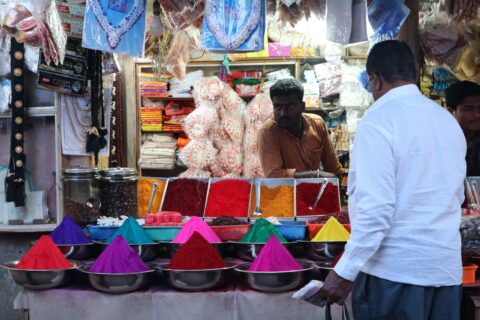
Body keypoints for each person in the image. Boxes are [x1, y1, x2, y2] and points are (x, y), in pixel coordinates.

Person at [319, 40, 466, 319]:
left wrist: (346, 270)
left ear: (374, 81)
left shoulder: (378, 120)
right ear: (415, 73)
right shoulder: (447, 120)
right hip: (444, 271)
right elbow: (455, 197)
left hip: (395, 274)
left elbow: (376, 209)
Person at [257, 78, 342, 178]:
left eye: (290, 106)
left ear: (302, 106)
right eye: (278, 107)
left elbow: (333, 167)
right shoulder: (268, 132)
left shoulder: (317, 124)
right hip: (284, 192)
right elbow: (274, 175)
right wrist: (314, 175)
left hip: (316, 191)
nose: (283, 113)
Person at [446, 80, 480, 176]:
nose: (477, 114)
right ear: (451, 112)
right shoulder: (443, 141)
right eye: (469, 109)